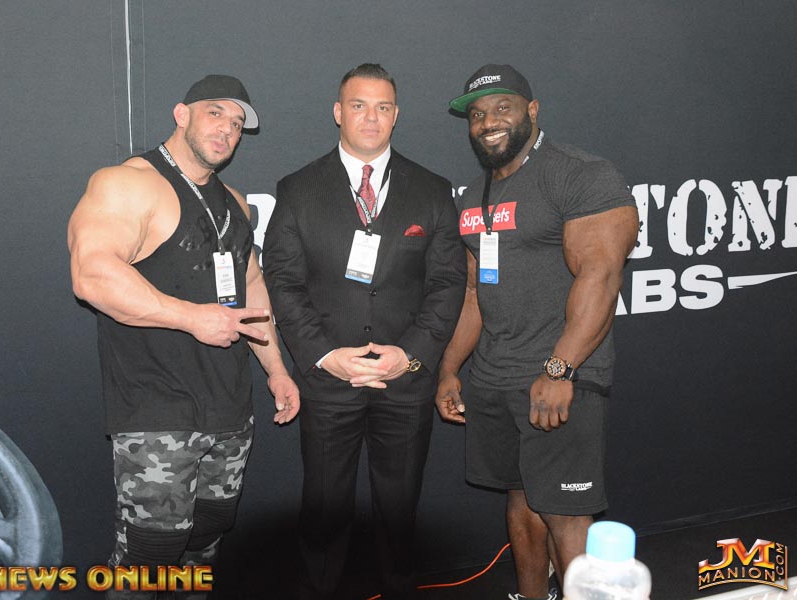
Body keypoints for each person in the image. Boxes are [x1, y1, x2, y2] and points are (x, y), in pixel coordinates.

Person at [68, 74, 299, 598]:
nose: (227, 130)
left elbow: (251, 286)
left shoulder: (234, 203)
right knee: (148, 560)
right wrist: (191, 317)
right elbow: (92, 274)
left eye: (237, 123)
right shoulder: (128, 183)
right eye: (216, 113)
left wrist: (277, 371)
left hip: (229, 411)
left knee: (206, 541)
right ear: (181, 113)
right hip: (158, 413)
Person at [262, 63, 465, 599]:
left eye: (382, 107)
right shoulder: (298, 189)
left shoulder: (433, 190)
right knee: (323, 515)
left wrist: (411, 356)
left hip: (405, 383)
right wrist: (324, 355)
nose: (370, 118)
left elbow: (448, 285)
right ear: (338, 112)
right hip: (329, 384)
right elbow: (283, 282)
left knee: (400, 517)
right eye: (358, 105)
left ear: (396, 115)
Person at [436, 64, 639, 600]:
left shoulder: (580, 174)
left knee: (566, 513)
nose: (488, 122)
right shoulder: (473, 195)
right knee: (522, 501)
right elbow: (475, 292)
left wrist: (559, 369)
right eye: (477, 115)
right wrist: (450, 368)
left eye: (502, 108)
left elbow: (601, 277)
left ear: (532, 110)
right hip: (496, 377)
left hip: (559, 375)